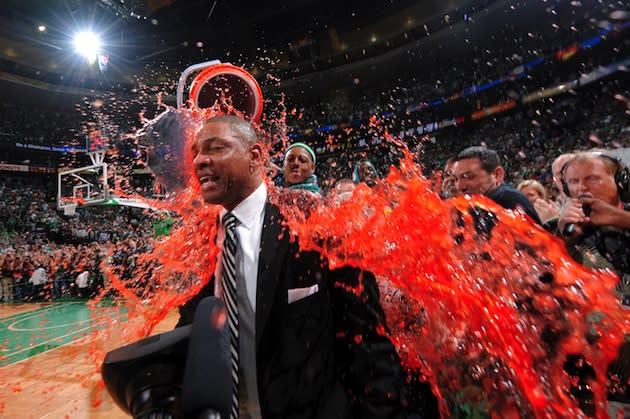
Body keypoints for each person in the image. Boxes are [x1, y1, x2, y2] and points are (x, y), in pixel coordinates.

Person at [179, 115, 405, 419]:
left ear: (255, 156)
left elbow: (367, 339)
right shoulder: (200, 238)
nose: (200, 160)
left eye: (215, 148)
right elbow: (191, 332)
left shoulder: (316, 218)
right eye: (196, 152)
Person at [451, 146, 542, 224]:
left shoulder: (506, 199)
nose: (459, 186)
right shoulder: (476, 205)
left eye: (469, 176)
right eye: (455, 179)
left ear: (497, 175)